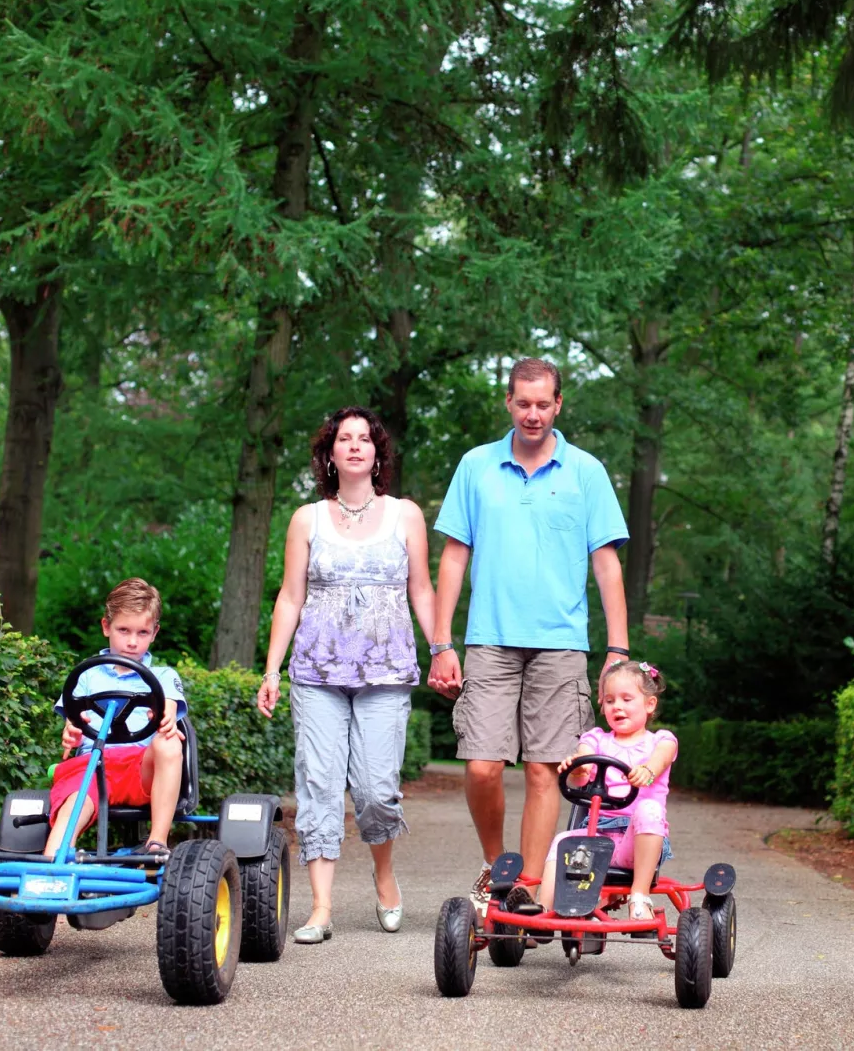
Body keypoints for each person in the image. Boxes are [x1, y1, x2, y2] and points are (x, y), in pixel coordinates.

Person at [427, 357, 631, 914]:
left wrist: (618, 650)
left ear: (559, 405)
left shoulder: (586, 472)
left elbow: (607, 563)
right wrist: (441, 643)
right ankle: (499, 868)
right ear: (509, 404)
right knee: (482, 765)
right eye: (523, 403)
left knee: (547, 769)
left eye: (544, 404)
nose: (533, 414)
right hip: (489, 638)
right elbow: (453, 555)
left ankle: (529, 887)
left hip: (562, 644)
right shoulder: (476, 466)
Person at [256, 406, 437, 944]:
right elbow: (290, 597)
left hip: (385, 670)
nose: (355, 446)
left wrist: (443, 649)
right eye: (344, 439)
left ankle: (384, 876)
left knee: (378, 789)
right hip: (315, 672)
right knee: (318, 784)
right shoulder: (306, 519)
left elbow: (421, 590)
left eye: (365, 439)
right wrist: (271, 669)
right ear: (330, 454)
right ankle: (321, 908)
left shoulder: (406, 515)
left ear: (378, 453)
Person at [46, 578, 186, 858]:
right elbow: (73, 721)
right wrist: (71, 731)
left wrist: (164, 715)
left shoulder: (163, 676)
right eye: (123, 630)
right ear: (106, 627)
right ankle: (51, 872)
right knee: (72, 809)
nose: (133, 642)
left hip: (140, 768)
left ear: (154, 633)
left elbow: (169, 705)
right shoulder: (85, 675)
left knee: (169, 742)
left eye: (142, 632)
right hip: (91, 768)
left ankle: (156, 843)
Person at [537, 660, 677, 920]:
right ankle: (541, 912)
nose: (618, 707)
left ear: (649, 705)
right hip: (597, 834)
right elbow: (584, 761)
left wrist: (647, 770)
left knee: (649, 809)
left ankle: (639, 896)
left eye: (627, 699)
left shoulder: (661, 741)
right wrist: (578, 768)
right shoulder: (596, 739)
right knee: (561, 841)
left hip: (636, 844)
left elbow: (661, 759)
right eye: (610, 700)